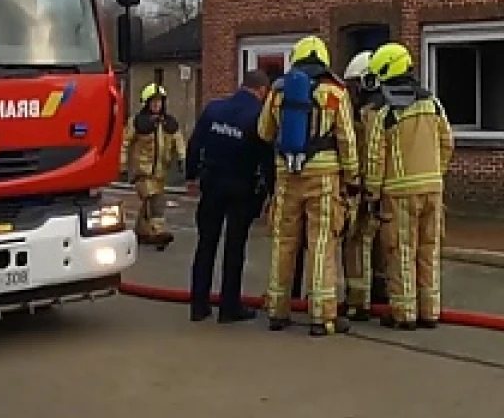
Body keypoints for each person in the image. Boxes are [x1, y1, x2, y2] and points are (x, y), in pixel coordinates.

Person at [255, 35, 359, 336]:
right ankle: (322, 316)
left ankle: (277, 309)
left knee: (284, 242)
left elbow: (263, 132)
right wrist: (352, 179)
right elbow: (347, 140)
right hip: (324, 176)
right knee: (321, 243)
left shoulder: (278, 91)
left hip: (287, 175)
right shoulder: (335, 93)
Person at [364, 43, 454, 330]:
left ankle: (404, 314)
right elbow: (447, 142)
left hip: (399, 192)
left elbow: (375, 157)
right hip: (433, 189)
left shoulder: (384, 112)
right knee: (429, 250)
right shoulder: (433, 104)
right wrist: (435, 174)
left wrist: (373, 194)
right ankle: (430, 311)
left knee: (402, 251)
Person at [184, 69, 272, 323]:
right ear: (262, 91)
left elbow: (195, 143)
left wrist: (192, 174)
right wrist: (273, 192)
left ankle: (198, 305)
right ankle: (228, 307)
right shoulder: (259, 116)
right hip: (242, 189)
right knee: (235, 248)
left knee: (206, 244)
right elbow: (266, 159)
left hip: (212, 185)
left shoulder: (214, 109)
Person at [341, 50, 389, 322]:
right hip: (391, 188)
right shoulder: (393, 109)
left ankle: (358, 302)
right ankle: (383, 293)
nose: (352, 92)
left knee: (357, 242)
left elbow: (369, 154)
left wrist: (365, 189)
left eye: (355, 86)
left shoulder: (369, 115)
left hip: (368, 188)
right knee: (384, 244)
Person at [124, 83, 183, 250]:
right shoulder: (137, 122)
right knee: (155, 201)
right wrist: (121, 165)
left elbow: (178, 140)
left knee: (147, 203)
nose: (157, 105)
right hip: (142, 171)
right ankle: (159, 232)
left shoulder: (169, 123)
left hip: (160, 171)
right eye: (154, 102)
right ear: (146, 103)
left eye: (160, 102)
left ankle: (141, 232)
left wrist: (181, 158)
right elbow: (125, 143)